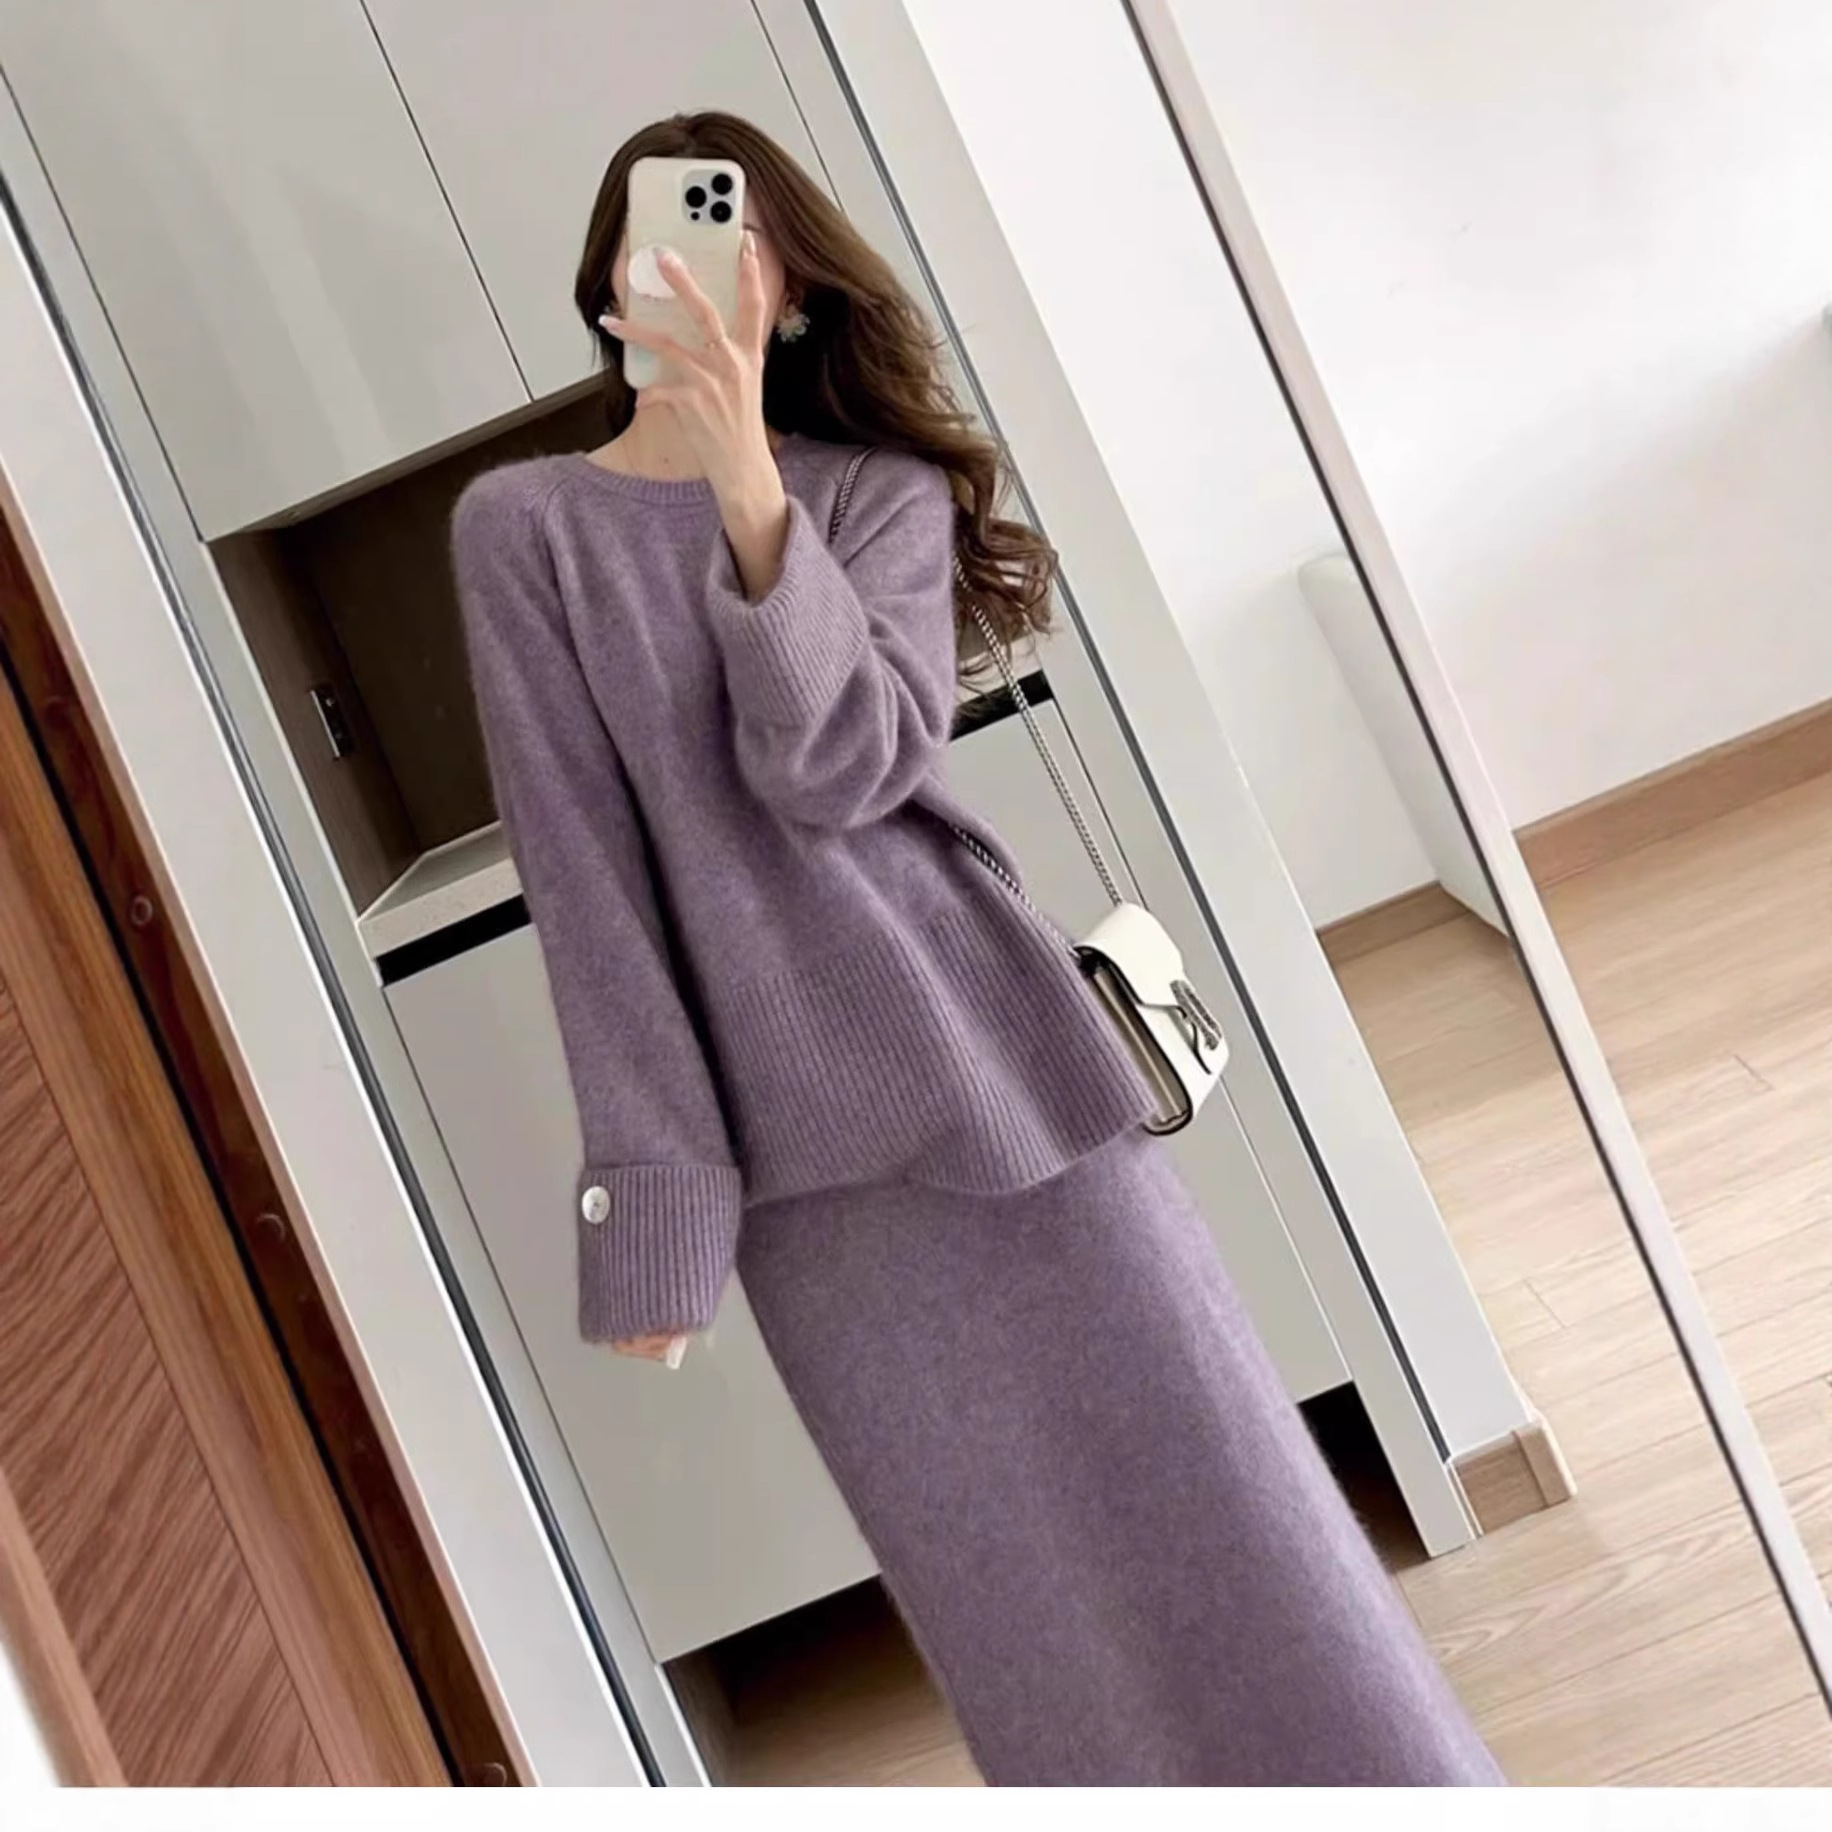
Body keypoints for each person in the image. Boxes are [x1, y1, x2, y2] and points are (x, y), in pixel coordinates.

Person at [452, 109, 1501, 1787]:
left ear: (795, 297)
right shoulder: (523, 532)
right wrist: (656, 1224)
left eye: (739, 245)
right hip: (822, 1205)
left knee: (1249, 1533)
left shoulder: (876, 495)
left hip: (1016, 1093)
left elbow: (844, 769)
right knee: (1023, 1624)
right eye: (666, 237)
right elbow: (591, 892)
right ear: (609, 285)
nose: (701, 275)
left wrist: (749, 492)